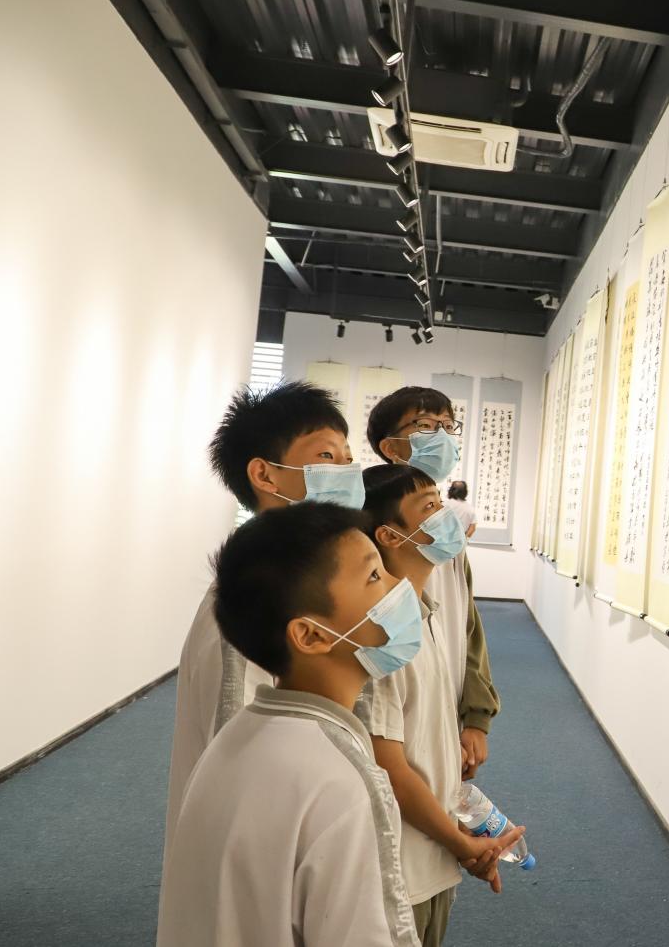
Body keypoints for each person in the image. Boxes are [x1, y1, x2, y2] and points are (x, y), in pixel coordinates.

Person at [158, 503, 454, 946]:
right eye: (375, 576)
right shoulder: (342, 777)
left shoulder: (234, 741)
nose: (400, 586)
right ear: (311, 635)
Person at [163, 381, 362, 861]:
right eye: (327, 456)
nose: (348, 471)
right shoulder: (248, 606)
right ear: (265, 475)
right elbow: (246, 772)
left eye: (349, 457)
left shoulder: (297, 585)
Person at [358, 463, 512, 947]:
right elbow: (388, 767)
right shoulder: (384, 630)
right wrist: (459, 842)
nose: (445, 516)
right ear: (390, 535)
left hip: (433, 857)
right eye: (429, 508)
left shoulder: (423, 613)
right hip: (399, 869)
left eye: (441, 503)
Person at [367, 388, 498, 780]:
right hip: (392, 710)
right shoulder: (372, 528)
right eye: (425, 425)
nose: (442, 436)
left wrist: (476, 717)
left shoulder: (447, 534)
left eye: (447, 425)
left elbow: (469, 628)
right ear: (391, 447)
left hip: (446, 697)